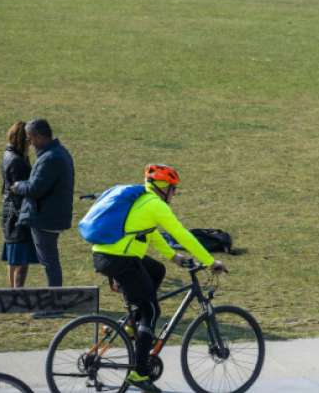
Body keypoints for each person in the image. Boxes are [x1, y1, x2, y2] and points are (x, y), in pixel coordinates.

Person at [92, 164, 228, 393]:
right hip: (119, 259)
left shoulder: (143, 199)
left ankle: (133, 327)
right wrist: (209, 261)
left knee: (157, 271)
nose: (174, 193)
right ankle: (139, 372)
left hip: (110, 255)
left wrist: (172, 257)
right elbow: (182, 234)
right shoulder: (156, 205)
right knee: (152, 310)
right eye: (173, 188)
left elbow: (151, 233)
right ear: (163, 187)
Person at [10, 118, 75, 299]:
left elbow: (35, 189)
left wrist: (18, 186)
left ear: (39, 136)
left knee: (50, 262)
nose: (29, 143)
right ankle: (54, 301)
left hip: (45, 217)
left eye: (30, 138)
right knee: (50, 260)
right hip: (51, 215)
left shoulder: (50, 158)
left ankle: (54, 303)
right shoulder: (58, 153)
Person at [1, 121, 39, 288]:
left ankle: (12, 292)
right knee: (20, 259)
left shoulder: (10, 155)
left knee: (13, 256)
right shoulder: (17, 161)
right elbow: (19, 188)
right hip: (16, 213)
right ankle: (17, 294)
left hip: (9, 210)